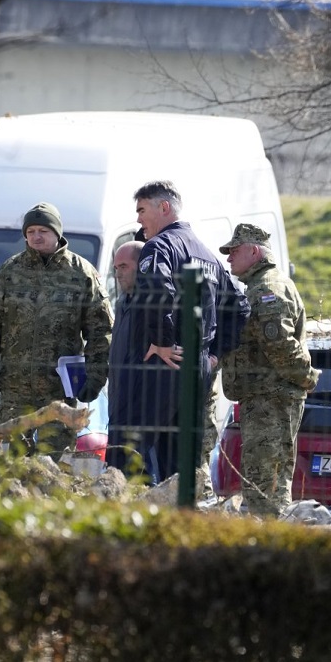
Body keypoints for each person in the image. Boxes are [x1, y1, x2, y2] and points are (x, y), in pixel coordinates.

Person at [132, 180, 249, 482]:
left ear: (164, 207)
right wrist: (213, 354)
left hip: (166, 365)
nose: (139, 219)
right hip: (198, 367)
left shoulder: (160, 247)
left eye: (142, 210)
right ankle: (180, 509)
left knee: (133, 451)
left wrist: (162, 341)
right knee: (181, 461)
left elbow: (157, 290)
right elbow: (239, 307)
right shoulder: (206, 253)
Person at [0, 203, 113, 455]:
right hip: (15, 390)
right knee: (7, 461)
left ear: (57, 233)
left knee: (51, 462)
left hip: (59, 391)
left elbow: (100, 331)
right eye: (31, 231)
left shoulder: (81, 273)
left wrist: (95, 378)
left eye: (43, 231)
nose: (36, 237)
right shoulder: (10, 271)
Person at [219, 224, 319, 516]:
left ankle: (272, 535)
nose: (229, 258)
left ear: (254, 251)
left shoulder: (267, 288)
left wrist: (307, 377)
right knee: (264, 478)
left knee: (266, 483)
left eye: (234, 251)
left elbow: (280, 344)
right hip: (266, 398)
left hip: (271, 399)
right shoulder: (262, 284)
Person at [106, 240, 148, 472]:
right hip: (118, 403)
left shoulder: (151, 306)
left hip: (139, 408)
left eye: (123, 266)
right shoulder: (123, 302)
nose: (117, 274)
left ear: (142, 266)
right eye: (115, 268)